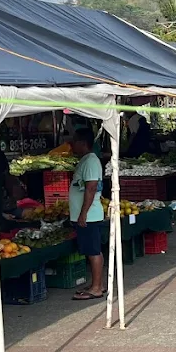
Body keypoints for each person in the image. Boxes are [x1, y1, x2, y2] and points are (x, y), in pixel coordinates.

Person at [69, 127, 106, 301]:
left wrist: (83, 213)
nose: (71, 145)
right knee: (93, 250)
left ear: (82, 143)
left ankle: (96, 288)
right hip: (87, 215)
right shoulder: (86, 160)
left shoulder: (91, 161)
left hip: (89, 216)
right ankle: (97, 284)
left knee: (93, 251)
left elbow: (91, 187)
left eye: (74, 141)